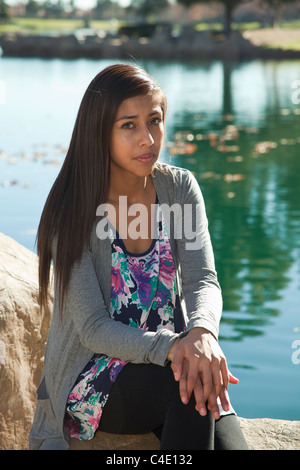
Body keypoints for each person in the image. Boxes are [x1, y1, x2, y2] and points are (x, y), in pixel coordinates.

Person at [29, 63, 248, 450]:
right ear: (100, 132)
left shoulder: (179, 187)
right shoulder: (74, 208)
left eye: (155, 121)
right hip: (95, 373)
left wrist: (201, 334)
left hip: (176, 357)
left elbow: (203, 280)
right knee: (183, 386)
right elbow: (93, 328)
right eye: (128, 125)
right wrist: (176, 348)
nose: (147, 138)